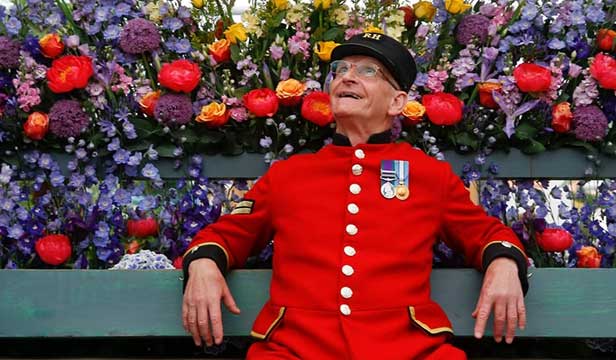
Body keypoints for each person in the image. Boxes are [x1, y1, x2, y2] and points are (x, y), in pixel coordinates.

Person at [181, 32, 529, 360]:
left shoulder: (428, 175)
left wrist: (503, 262)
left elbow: (485, 233)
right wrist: (204, 263)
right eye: (340, 69)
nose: (347, 77)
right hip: (295, 349)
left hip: (407, 349)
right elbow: (229, 233)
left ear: (397, 102)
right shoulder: (288, 175)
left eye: (367, 71)